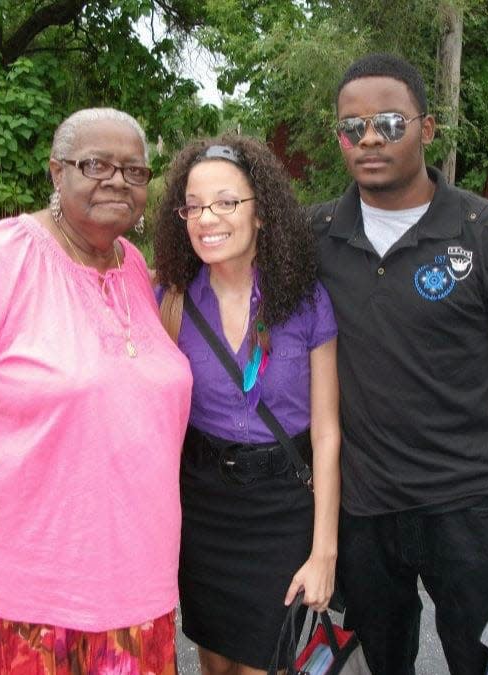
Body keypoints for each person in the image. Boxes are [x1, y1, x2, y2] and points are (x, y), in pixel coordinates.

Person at [0, 108, 192, 674]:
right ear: (56, 173)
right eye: (96, 165)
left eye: (134, 171)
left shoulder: (134, 267)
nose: (117, 180)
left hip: (135, 593)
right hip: (17, 602)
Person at [308, 53, 488, 675]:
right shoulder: (313, 235)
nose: (370, 138)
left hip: (470, 509)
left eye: (390, 123)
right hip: (364, 511)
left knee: (476, 663)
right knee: (384, 662)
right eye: (352, 127)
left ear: (427, 127)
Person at [154, 135, 341, 675]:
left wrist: (324, 550)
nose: (207, 218)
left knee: (267, 667)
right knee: (215, 665)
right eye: (193, 205)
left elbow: (328, 433)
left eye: (226, 202)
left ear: (262, 214)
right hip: (202, 508)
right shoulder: (169, 299)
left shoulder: (306, 301)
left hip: (282, 510)